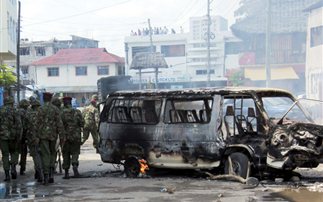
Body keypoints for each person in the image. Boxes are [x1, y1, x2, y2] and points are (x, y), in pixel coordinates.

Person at [37, 92, 63, 185]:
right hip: (53, 136)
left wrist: (37, 136)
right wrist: (62, 136)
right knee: (53, 153)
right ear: (51, 99)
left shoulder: (40, 109)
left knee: (45, 155)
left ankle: (46, 175)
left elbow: (37, 124)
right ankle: (51, 174)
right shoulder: (55, 109)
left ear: (44, 99)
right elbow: (59, 124)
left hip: (43, 136)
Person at [60, 96, 84, 179]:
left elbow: (59, 125)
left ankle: (66, 173)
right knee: (75, 152)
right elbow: (82, 123)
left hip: (65, 137)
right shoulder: (77, 112)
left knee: (65, 154)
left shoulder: (61, 113)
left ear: (64, 103)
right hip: (76, 136)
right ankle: (74, 165)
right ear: (70, 103)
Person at [0, 96, 22, 181]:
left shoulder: (0, 110)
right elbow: (19, 125)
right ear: (12, 102)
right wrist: (19, 136)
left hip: (2, 136)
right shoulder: (15, 110)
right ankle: (13, 167)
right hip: (13, 136)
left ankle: (7, 175)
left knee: (5, 155)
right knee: (14, 152)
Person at [26, 99, 43, 182]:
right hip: (42, 137)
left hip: (32, 138)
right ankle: (42, 172)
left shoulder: (28, 114)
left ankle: (38, 171)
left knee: (35, 156)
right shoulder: (42, 114)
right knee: (42, 155)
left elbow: (24, 126)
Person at [18, 99, 30, 175]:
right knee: (23, 152)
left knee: (14, 152)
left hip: (16, 134)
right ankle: (22, 168)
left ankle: (12, 166)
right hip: (24, 135)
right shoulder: (27, 113)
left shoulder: (16, 112)